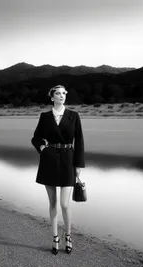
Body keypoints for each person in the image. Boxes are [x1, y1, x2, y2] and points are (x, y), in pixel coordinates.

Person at [31, 85, 85, 255]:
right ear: (51, 97)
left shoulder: (73, 116)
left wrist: (78, 166)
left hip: (68, 161)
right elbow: (35, 137)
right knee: (53, 203)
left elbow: (80, 142)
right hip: (49, 161)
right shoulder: (45, 116)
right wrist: (42, 148)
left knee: (64, 204)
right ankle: (55, 238)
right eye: (58, 93)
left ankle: (68, 236)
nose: (61, 96)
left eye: (64, 93)